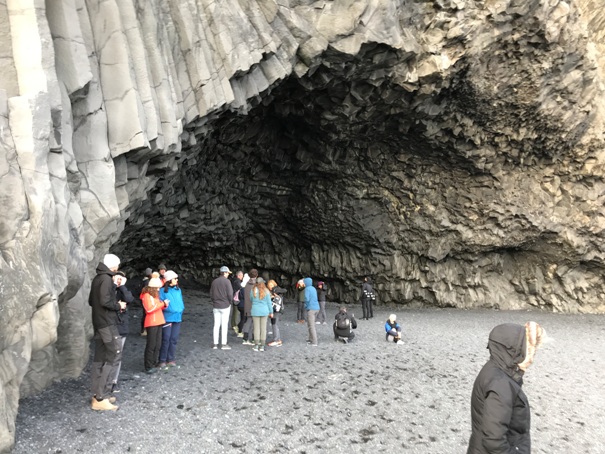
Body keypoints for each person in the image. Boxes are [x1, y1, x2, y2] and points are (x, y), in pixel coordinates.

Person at [467, 322, 545, 454]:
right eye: (529, 350)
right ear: (513, 350)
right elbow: (493, 440)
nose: (531, 358)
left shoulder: (494, 369)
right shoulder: (501, 384)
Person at [88, 253, 127, 411]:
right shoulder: (106, 279)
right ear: (114, 266)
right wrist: (119, 306)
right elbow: (105, 301)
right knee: (114, 355)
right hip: (107, 324)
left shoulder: (97, 278)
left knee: (100, 357)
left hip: (98, 324)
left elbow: (92, 301)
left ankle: (97, 394)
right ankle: (101, 396)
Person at [108, 271, 134, 393]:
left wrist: (122, 286)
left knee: (117, 356)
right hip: (110, 326)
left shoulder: (124, 291)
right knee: (109, 356)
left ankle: (113, 381)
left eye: (121, 279)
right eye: (117, 278)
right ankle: (106, 381)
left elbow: (129, 299)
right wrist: (114, 285)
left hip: (121, 327)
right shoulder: (109, 289)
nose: (119, 280)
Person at [141, 273, 168, 373]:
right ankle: (148, 365)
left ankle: (154, 362)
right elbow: (149, 309)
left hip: (159, 320)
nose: (158, 290)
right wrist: (163, 304)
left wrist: (164, 305)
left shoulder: (154, 296)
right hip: (152, 322)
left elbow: (157, 307)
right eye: (157, 288)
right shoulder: (147, 296)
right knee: (151, 345)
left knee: (157, 344)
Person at [158, 270, 184, 369]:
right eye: (175, 278)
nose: (177, 280)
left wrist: (181, 309)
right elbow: (161, 304)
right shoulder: (162, 291)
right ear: (169, 280)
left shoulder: (178, 290)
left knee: (173, 339)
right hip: (167, 318)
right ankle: (162, 360)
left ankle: (171, 359)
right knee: (166, 339)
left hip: (177, 317)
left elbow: (180, 301)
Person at [210, 266, 234, 350]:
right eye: (228, 273)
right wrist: (230, 302)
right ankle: (224, 344)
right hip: (225, 306)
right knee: (224, 325)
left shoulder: (214, 281)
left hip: (216, 306)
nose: (228, 275)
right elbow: (230, 294)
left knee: (216, 325)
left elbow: (211, 294)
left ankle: (215, 344)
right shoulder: (227, 282)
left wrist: (214, 301)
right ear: (225, 273)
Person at [250, 277, 274, 352]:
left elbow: (251, 300)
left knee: (256, 328)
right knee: (263, 328)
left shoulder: (252, 290)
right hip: (264, 311)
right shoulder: (266, 291)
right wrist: (271, 312)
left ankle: (256, 345)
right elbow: (269, 303)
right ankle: (262, 346)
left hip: (255, 311)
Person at [267, 279, 286, 347]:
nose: (270, 287)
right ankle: (278, 339)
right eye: (269, 285)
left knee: (274, 324)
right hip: (275, 310)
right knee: (274, 324)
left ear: (274, 284)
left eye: (271, 285)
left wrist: (274, 294)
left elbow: (284, 290)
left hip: (276, 310)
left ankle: (276, 340)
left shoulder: (276, 290)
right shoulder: (272, 291)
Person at [241, 269, 257, 345]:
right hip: (255, 306)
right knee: (255, 323)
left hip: (247, 306)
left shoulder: (247, 284)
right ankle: (254, 339)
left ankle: (245, 339)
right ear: (257, 275)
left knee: (248, 321)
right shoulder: (256, 284)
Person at [304, 277, 319, 346]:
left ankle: (314, 342)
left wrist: (306, 306)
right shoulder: (313, 288)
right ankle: (310, 339)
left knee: (311, 325)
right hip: (317, 308)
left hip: (311, 309)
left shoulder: (307, 289)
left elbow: (307, 298)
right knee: (310, 324)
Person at [139, 267, 152, 336]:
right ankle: (144, 330)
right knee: (146, 315)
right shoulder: (147, 282)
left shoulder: (143, 281)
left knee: (144, 315)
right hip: (146, 300)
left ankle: (143, 330)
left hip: (143, 299)